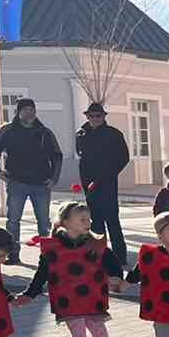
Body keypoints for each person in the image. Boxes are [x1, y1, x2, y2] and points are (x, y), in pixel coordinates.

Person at [21, 200, 125, 337]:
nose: (88, 222)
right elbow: (42, 274)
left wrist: (116, 276)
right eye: (83, 219)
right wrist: (29, 294)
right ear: (66, 222)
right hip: (68, 301)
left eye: (89, 219)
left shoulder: (96, 242)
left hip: (92, 299)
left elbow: (113, 263)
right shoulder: (53, 247)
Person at [0, 97, 62, 257]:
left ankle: (47, 257)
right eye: (26, 109)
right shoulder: (7, 130)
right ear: (18, 112)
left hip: (41, 184)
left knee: (44, 223)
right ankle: (13, 255)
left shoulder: (44, 132)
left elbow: (57, 155)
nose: (30, 112)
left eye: (32, 109)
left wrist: (53, 178)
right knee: (13, 221)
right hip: (17, 183)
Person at [75, 101, 131, 265]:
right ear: (86, 116)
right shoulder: (81, 134)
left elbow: (123, 158)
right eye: (91, 116)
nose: (94, 119)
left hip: (107, 182)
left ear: (104, 116)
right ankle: (98, 256)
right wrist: (86, 181)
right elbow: (81, 156)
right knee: (95, 221)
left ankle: (120, 257)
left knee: (112, 219)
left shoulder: (113, 134)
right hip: (88, 183)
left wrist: (107, 175)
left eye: (98, 116)